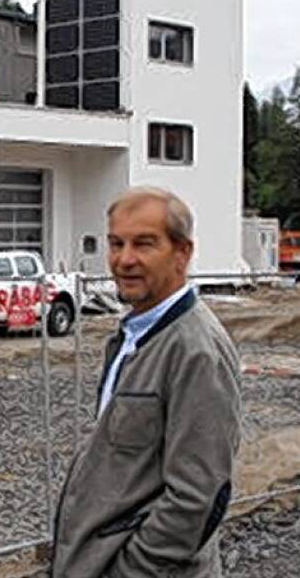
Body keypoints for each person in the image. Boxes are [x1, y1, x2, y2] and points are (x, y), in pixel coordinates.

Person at [51, 187, 243, 578]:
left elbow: (198, 498)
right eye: (116, 243)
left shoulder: (196, 351)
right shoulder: (133, 336)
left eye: (144, 244)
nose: (124, 260)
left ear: (182, 253)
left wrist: (128, 569)